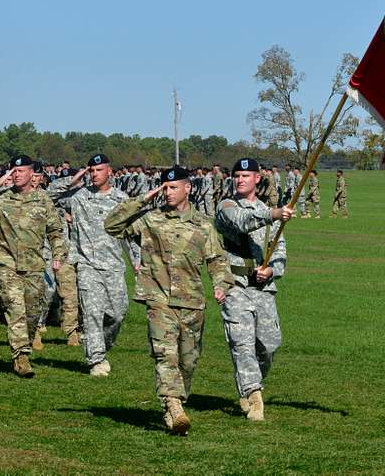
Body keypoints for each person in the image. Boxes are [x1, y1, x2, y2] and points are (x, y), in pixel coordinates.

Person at [105, 165, 232, 435]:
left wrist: (221, 285)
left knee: (189, 360)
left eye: (173, 187)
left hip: (192, 303)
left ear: (188, 188)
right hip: (158, 299)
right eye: (164, 187)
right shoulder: (150, 220)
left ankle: (175, 403)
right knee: (166, 355)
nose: (168, 192)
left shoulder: (202, 225)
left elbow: (217, 261)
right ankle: (174, 406)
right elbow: (112, 225)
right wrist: (145, 198)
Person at [0, 155, 68, 378]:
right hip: (6, 262)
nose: (16, 175)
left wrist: (58, 255)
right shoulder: (2, 197)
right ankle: (21, 356)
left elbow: (56, 231)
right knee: (15, 307)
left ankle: (24, 346)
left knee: (33, 313)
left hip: (34, 264)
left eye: (21, 171)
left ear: (31, 174)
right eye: (13, 171)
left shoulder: (42, 199)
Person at [215, 158, 291, 422]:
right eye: (236, 175)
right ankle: (253, 395)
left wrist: (271, 270)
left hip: (263, 289)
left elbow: (279, 249)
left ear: (257, 179)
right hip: (235, 286)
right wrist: (274, 213)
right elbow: (241, 222)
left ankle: (250, 382)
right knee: (242, 343)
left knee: (269, 345)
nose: (240, 180)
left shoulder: (270, 213)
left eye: (246, 175)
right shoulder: (226, 206)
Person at [48, 154, 130, 376]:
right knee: (92, 313)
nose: (94, 174)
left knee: (117, 314)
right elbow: (48, 196)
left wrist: (138, 263)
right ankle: (96, 359)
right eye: (91, 171)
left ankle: (102, 345)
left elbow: (132, 233)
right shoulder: (79, 197)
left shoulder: (122, 200)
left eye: (99, 170)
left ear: (110, 172)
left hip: (113, 265)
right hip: (86, 265)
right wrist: (72, 180)